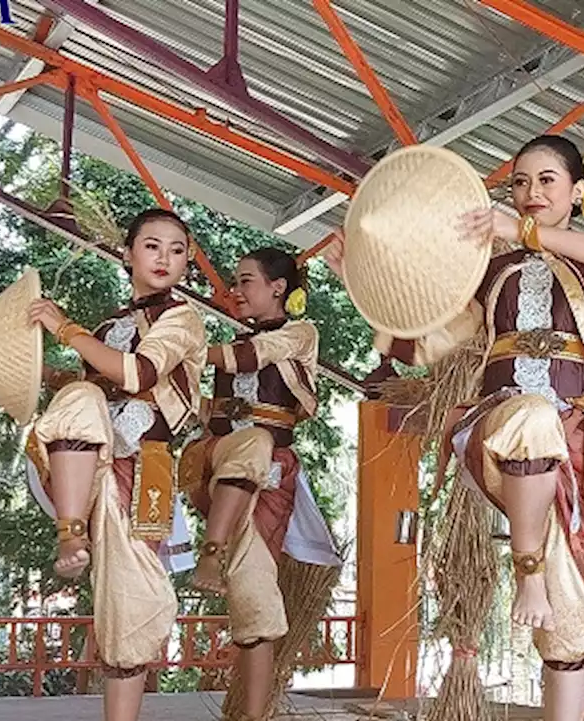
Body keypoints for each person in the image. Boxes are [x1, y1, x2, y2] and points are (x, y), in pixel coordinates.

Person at [324, 135, 584, 721]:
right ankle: (527, 575)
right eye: (520, 183)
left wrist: (519, 231)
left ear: (578, 191)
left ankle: (543, 589)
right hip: (499, 426)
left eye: (547, 180)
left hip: (575, 437)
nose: (531, 192)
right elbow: (424, 348)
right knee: (528, 415)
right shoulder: (487, 270)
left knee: (568, 631)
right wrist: (358, 286)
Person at [24, 207, 206, 721]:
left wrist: (64, 327)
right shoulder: (109, 325)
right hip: (92, 461)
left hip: (141, 465)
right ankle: (70, 533)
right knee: (80, 396)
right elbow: (90, 388)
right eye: (152, 246)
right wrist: (38, 371)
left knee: (123, 609)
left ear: (187, 263)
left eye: (176, 250)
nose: (164, 258)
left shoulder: (182, 318)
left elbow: (135, 374)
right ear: (127, 254)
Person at [180, 247, 339, 721]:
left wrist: (180, 349)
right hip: (223, 458)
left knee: (255, 591)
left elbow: (254, 355)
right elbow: (209, 407)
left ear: (278, 289)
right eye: (235, 280)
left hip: (268, 474)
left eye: (245, 280)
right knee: (248, 442)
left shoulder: (299, 335)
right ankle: (211, 552)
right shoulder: (234, 343)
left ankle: (252, 716)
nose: (235, 290)